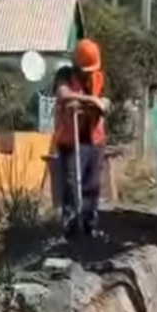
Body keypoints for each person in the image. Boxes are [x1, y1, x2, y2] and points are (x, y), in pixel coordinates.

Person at [53, 39, 110, 236]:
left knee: (91, 183)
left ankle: (89, 224)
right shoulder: (64, 75)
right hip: (70, 139)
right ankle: (70, 225)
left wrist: (100, 103)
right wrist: (88, 100)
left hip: (93, 138)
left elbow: (106, 100)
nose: (88, 73)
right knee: (71, 183)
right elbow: (63, 94)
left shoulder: (98, 77)